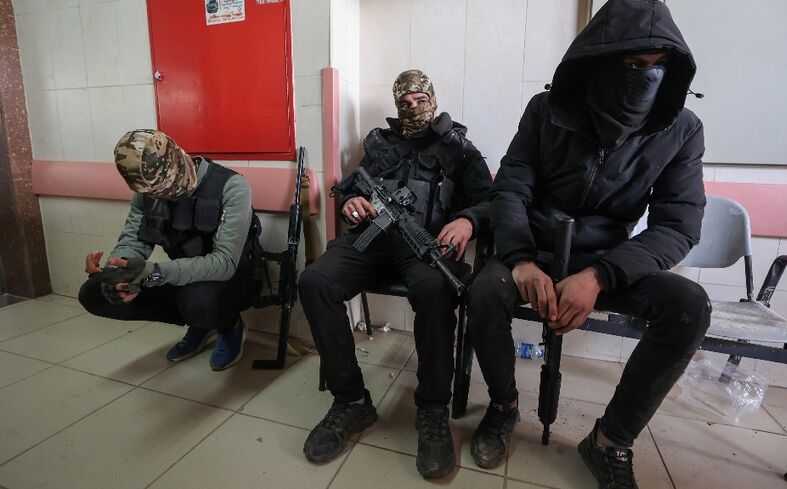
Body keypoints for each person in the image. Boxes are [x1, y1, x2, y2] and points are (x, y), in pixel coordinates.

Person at [465, 1, 711, 487]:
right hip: (533, 248)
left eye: (660, 66)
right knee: (483, 291)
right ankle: (503, 405)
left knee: (688, 306)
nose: (648, 78)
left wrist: (600, 276)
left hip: (606, 259)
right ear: (601, 60)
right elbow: (511, 188)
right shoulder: (546, 110)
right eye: (634, 65)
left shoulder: (682, 130)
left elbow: (677, 227)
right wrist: (517, 260)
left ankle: (609, 442)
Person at [299, 70, 492, 479]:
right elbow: (352, 187)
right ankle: (351, 401)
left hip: (424, 247)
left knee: (436, 290)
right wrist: (352, 201)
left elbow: (490, 202)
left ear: (433, 99)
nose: (412, 106)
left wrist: (468, 222)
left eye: (420, 98)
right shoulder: (380, 145)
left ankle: (433, 409)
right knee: (315, 281)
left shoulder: (459, 149)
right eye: (404, 101)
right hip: (372, 240)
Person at [78, 129, 259, 371]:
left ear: (178, 158)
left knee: (196, 300)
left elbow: (224, 263)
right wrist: (117, 273)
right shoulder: (146, 192)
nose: (159, 195)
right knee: (95, 293)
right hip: (182, 275)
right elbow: (133, 240)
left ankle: (229, 326)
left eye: (163, 187)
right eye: (151, 191)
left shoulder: (233, 186)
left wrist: (154, 273)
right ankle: (200, 324)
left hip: (229, 279)